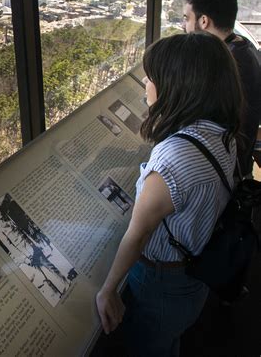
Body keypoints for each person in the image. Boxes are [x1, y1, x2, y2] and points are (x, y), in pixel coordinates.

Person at [96, 32, 242, 357]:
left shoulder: (174, 156)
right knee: (167, 338)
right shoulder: (223, 133)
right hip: (194, 276)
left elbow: (139, 233)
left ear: (178, 85)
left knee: (149, 345)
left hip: (160, 281)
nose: (146, 82)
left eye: (153, 76)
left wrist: (108, 290)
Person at [183, 0, 261, 177]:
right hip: (238, 165)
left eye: (187, 18)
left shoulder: (226, 66)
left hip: (224, 173)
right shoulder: (246, 49)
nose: (184, 26)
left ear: (203, 21)